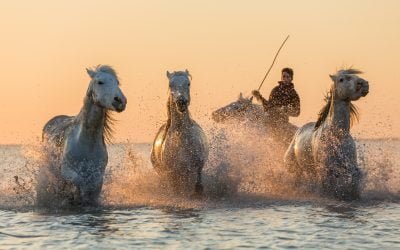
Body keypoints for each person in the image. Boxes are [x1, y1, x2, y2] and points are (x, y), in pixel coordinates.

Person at [252, 67, 300, 144]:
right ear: (281, 77)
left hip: (282, 123)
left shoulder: (293, 94)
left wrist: (286, 110)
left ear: (291, 78)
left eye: (287, 77)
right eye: (283, 76)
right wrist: (259, 97)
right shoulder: (275, 90)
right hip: (269, 120)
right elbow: (268, 106)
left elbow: (297, 112)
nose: (285, 78)